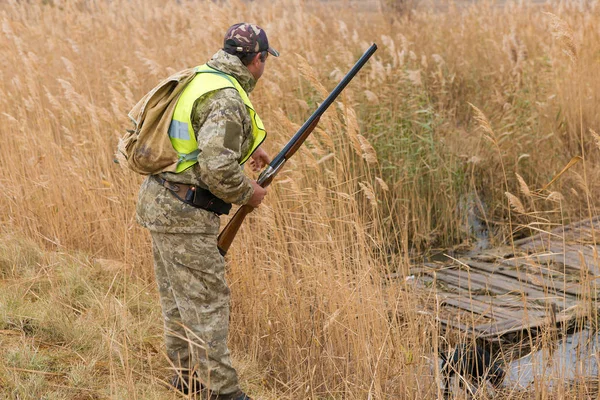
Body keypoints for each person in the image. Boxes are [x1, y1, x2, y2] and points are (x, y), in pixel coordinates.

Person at [135, 23, 279, 400]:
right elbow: (217, 168)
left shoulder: (201, 76)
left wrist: (249, 152)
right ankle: (224, 392)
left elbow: (196, 145)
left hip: (161, 200)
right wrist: (250, 193)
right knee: (208, 302)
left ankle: (184, 378)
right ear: (257, 59)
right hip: (186, 212)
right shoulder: (227, 97)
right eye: (265, 61)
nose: (265, 69)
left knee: (177, 299)